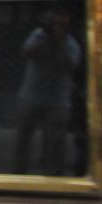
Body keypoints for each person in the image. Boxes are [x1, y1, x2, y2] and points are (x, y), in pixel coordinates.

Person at [13, 11, 82, 175]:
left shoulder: (70, 43)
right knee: (23, 134)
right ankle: (19, 171)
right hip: (31, 94)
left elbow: (71, 66)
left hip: (57, 98)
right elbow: (25, 52)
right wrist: (44, 40)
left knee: (55, 140)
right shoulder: (39, 35)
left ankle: (54, 173)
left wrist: (60, 42)